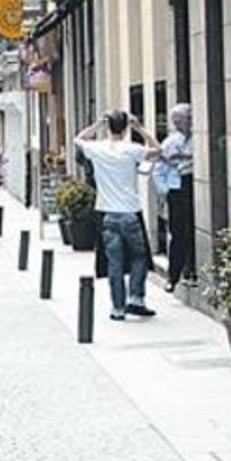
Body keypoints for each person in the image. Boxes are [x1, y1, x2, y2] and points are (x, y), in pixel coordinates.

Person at [74, 110, 162, 320]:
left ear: (109, 127)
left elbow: (77, 139)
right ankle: (136, 298)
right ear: (124, 128)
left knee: (114, 261)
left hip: (106, 214)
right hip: (130, 211)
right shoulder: (132, 149)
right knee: (139, 256)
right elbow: (157, 149)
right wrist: (138, 128)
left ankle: (118, 308)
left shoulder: (97, 149)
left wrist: (97, 124)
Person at [152, 103, 196, 292]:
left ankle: (192, 270)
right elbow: (158, 169)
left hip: (192, 184)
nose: (179, 123)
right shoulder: (170, 142)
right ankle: (174, 276)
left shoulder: (197, 139)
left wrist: (187, 157)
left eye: (183, 119)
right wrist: (166, 191)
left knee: (193, 230)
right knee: (178, 233)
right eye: (176, 120)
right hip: (177, 189)